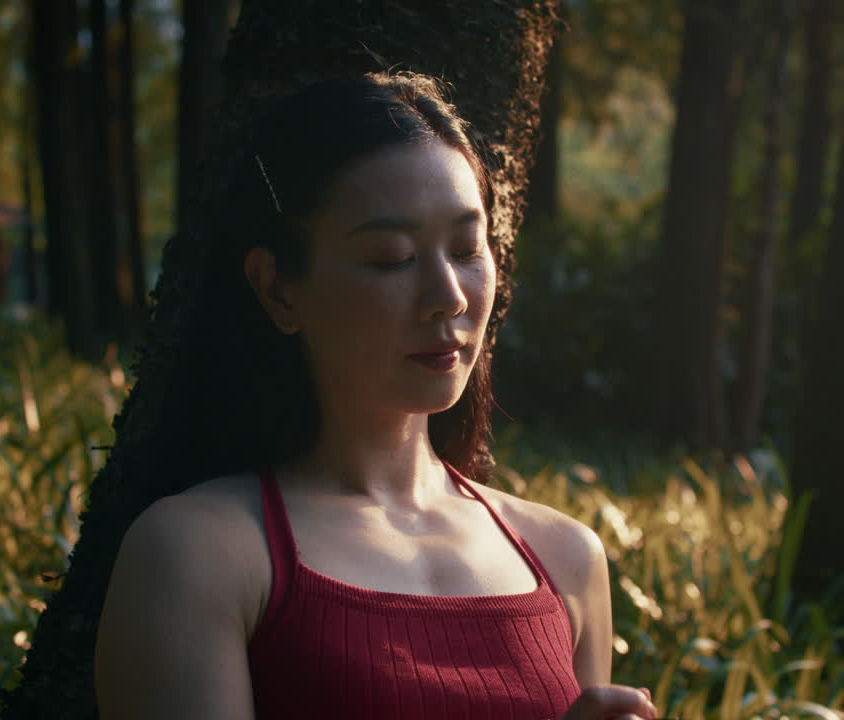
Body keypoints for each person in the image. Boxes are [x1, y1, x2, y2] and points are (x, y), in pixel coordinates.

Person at [93, 71, 659, 720]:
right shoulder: (198, 555)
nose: (448, 295)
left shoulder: (565, 559)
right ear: (277, 288)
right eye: (391, 258)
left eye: (467, 248)